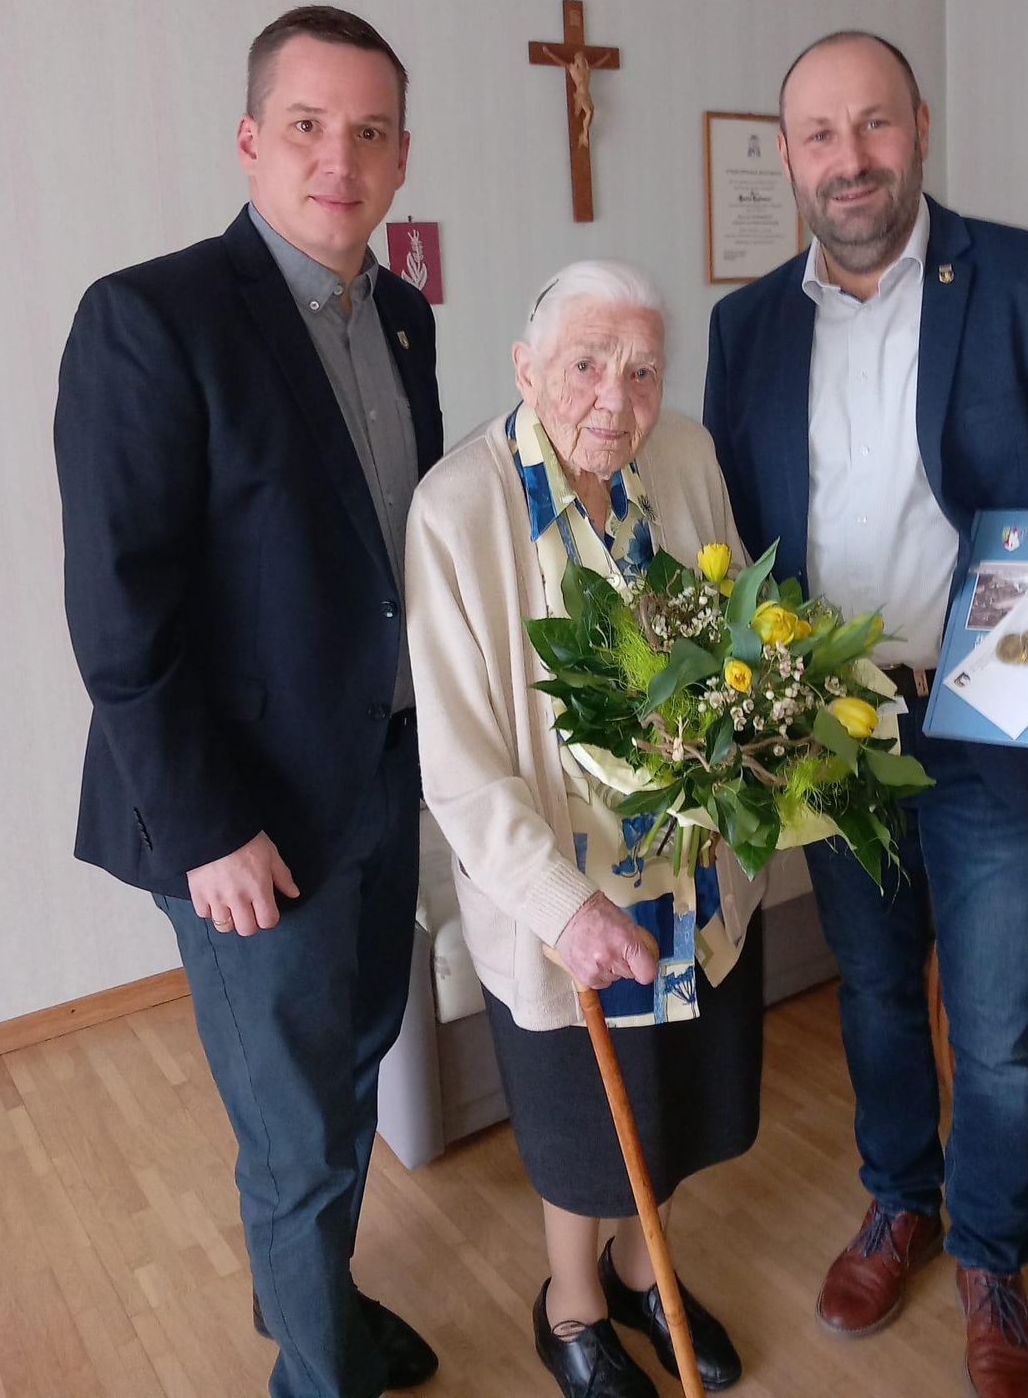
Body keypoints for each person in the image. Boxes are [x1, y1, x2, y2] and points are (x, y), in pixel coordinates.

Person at [703, 31, 1028, 1398]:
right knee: (872, 990)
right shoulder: (746, 329)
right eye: (819, 133)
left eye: (873, 124)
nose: (849, 158)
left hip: (994, 718)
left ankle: (990, 1253)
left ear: (918, 126)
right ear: (787, 153)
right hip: (836, 732)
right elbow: (734, 544)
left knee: (993, 1026)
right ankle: (899, 1202)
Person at [55, 5, 444, 1398]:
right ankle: (317, 1374)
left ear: (400, 158)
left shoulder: (403, 318)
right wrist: (208, 829)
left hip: (378, 775)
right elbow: (121, 615)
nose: (340, 159)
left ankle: (321, 1309)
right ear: (248, 140)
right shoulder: (151, 317)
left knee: (351, 1073)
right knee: (294, 1130)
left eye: (370, 132)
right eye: (307, 125)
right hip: (242, 818)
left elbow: (392, 565)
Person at [405, 263, 763, 1398]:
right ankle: (572, 1306)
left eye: (644, 370)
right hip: (562, 893)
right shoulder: (457, 511)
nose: (617, 397)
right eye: (586, 365)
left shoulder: (686, 458)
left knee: (673, 1107)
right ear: (526, 371)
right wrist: (565, 909)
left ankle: (642, 1269)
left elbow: (739, 634)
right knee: (583, 1132)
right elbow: (461, 771)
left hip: (687, 872)